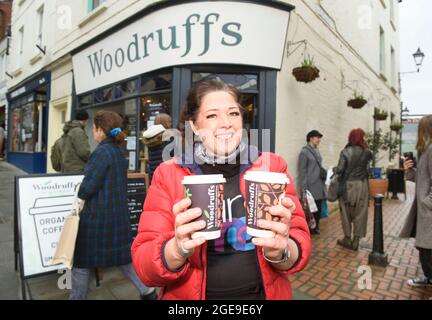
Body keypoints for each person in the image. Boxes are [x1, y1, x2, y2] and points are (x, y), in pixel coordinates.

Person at [131, 79, 311, 300]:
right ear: (194, 126)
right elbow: (144, 266)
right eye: (212, 115)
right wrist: (176, 249)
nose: (226, 123)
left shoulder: (272, 167)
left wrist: (282, 251)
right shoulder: (169, 174)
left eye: (233, 113)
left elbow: (299, 241)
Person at [70, 110, 156, 300]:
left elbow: (88, 188)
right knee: (122, 259)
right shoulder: (117, 152)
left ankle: (76, 298)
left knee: (81, 261)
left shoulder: (101, 152)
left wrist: (80, 190)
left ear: (101, 130)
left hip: (97, 219)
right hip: (117, 217)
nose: (93, 132)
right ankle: (148, 291)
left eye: (94, 128)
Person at [400, 115, 432, 288]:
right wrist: (410, 171)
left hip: (428, 210)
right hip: (423, 209)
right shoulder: (426, 149)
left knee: (428, 249)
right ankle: (428, 277)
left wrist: (427, 202)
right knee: (423, 247)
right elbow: (423, 177)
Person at [334, 129, 372, 251]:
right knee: (360, 212)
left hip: (347, 186)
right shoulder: (367, 152)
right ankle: (356, 240)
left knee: (345, 212)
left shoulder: (345, 152)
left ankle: (347, 238)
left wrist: (335, 169)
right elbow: (367, 168)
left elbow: (339, 170)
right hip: (362, 185)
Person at [298, 130, 327, 235]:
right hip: (310, 185)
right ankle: (309, 228)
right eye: (317, 137)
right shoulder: (304, 152)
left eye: (319, 138)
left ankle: (316, 226)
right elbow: (302, 171)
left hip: (319, 184)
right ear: (310, 138)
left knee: (318, 207)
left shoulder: (317, 151)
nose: (319, 140)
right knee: (310, 208)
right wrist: (304, 189)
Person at [142, 113, 172, 183]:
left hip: (154, 176)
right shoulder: (168, 139)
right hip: (166, 177)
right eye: (170, 122)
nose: (171, 124)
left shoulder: (151, 139)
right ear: (166, 123)